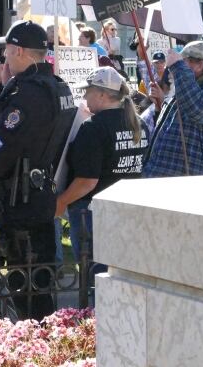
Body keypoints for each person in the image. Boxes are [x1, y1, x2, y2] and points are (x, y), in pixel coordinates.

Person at [0, 20, 76, 320]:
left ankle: (37, 350)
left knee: (25, 288)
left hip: (21, 199)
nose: (6, 58)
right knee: (39, 283)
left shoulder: (26, 93)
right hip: (40, 192)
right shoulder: (58, 87)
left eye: (9, 51)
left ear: (21, 51)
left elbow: (4, 145)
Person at [56, 67, 148, 264]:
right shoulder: (139, 124)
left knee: (93, 276)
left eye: (87, 91)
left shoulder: (93, 127)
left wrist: (61, 202)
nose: (84, 95)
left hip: (91, 212)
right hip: (126, 208)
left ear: (102, 94)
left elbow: (87, 181)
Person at [143, 41, 203, 177]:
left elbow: (199, 109)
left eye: (184, 61)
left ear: (200, 65)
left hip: (196, 179)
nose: (171, 69)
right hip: (171, 175)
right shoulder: (189, 85)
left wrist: (178, 67)